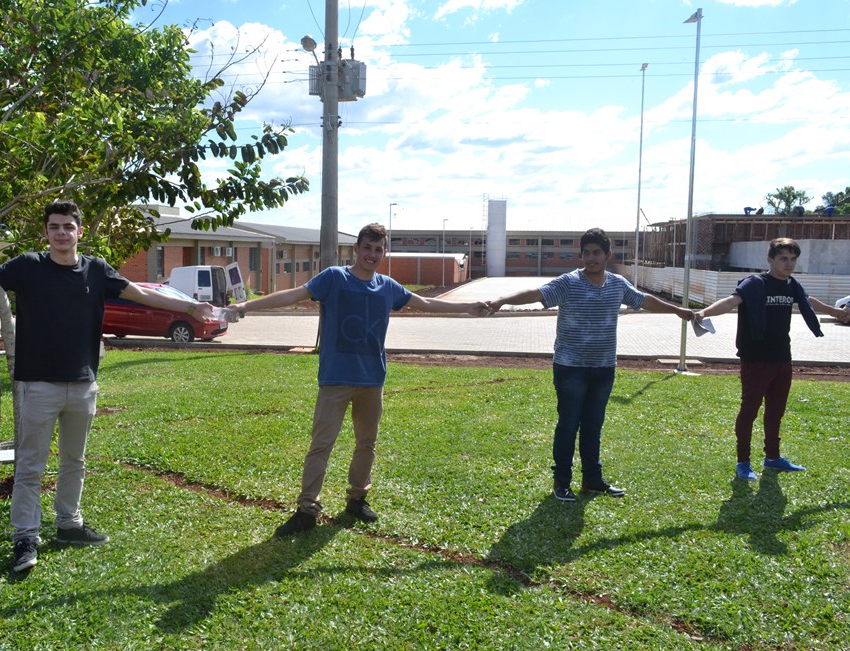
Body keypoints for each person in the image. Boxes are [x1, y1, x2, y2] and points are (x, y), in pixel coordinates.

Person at [0, 200, 215, 572]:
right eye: (54, 227)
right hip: (38, 385)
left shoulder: (97, 270)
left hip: (83, 384)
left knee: (75, 461)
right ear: (46, 232)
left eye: (68, 227)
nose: (61, 233)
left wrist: (190, 308)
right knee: (30, 466)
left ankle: (69, 524)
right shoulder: (28, 266)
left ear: (79, 232)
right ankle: (25, 538)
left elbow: (142, 293)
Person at [227, 223, 488, 537]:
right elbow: (294, 295)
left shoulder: (387, 287)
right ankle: (307, 509)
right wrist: (245, 306)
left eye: (378, 250)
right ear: (356, 249)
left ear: (384, 253)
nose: (372, 255)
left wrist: (469, 307)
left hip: (372, 380)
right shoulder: (334, 278)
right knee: (321, 445)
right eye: (367, 248)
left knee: (367, 444)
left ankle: (357, 499)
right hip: (335, 379)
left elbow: (427, 303)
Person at [488, 228, 693, 502]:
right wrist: (501, 301)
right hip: (570, 368)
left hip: (604, 368)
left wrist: (678, 310)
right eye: (586, 253)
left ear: (608, 255)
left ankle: (592, 480)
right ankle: (562, 481)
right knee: (568, 425)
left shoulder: (617, 284)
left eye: (596, 252)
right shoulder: (569, 282)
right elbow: (536, 293)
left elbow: (644, 300)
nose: (591, 258)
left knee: (593, 426)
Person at [693, 237, 849, 481]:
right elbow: (731, 301)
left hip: (782, 358)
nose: (789, 263)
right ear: (770, 260)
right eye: (784, 258)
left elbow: (808, 300)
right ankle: (743, 462)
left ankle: (773, 458)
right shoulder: (755, 284)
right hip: (755, 359)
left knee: (776, 412)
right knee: (749, 411)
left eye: (793, 259)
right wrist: (703, 312)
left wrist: (835, 312)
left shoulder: (792, 285)